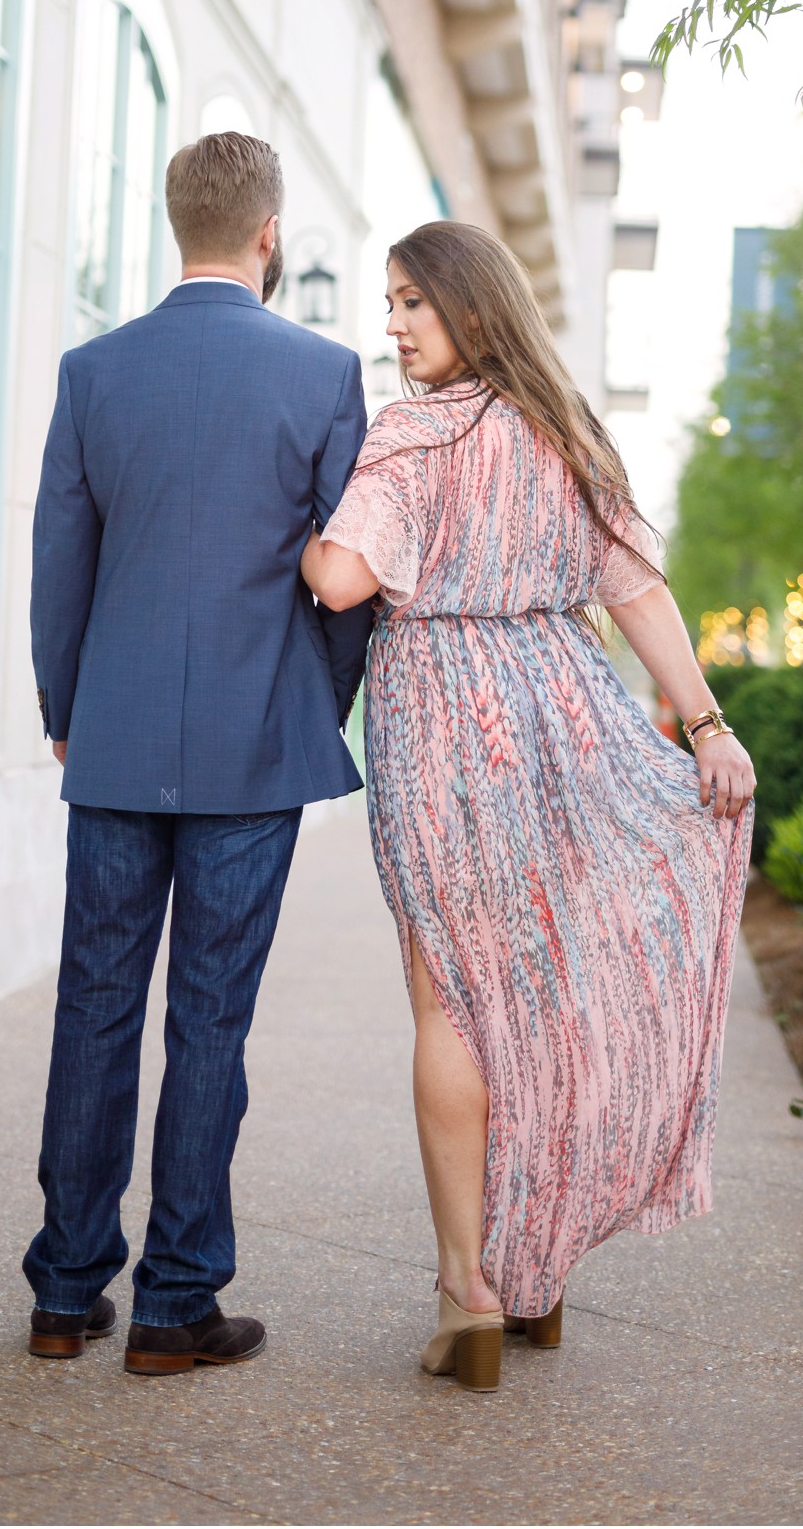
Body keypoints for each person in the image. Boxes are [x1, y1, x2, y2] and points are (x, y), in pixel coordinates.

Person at [302, 220, 756, 1392]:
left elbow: (344, 578)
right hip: (563, 716)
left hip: (443, 728)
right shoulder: (564, 430)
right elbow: (637, 589)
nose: (393, 325)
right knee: (546, 993)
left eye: (411, 303)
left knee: (450, 1001)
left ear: (469, 306)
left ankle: (470, 1295)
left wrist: (310, 550)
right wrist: (707, 725)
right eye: (388, 303)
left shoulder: (410, 434)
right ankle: (538, 1277)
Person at [23, 132, 373, 1376]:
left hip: (114, 738)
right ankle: (175, 1306)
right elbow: (350, 582)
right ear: (268, 232)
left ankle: (64, 1293)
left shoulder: (93, 371)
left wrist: (67, 703)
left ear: (180, 224)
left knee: (94, 1008)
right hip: (254, 746)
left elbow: (61, 558)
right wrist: (310, 709)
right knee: (210, 1024)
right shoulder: (327, 374)